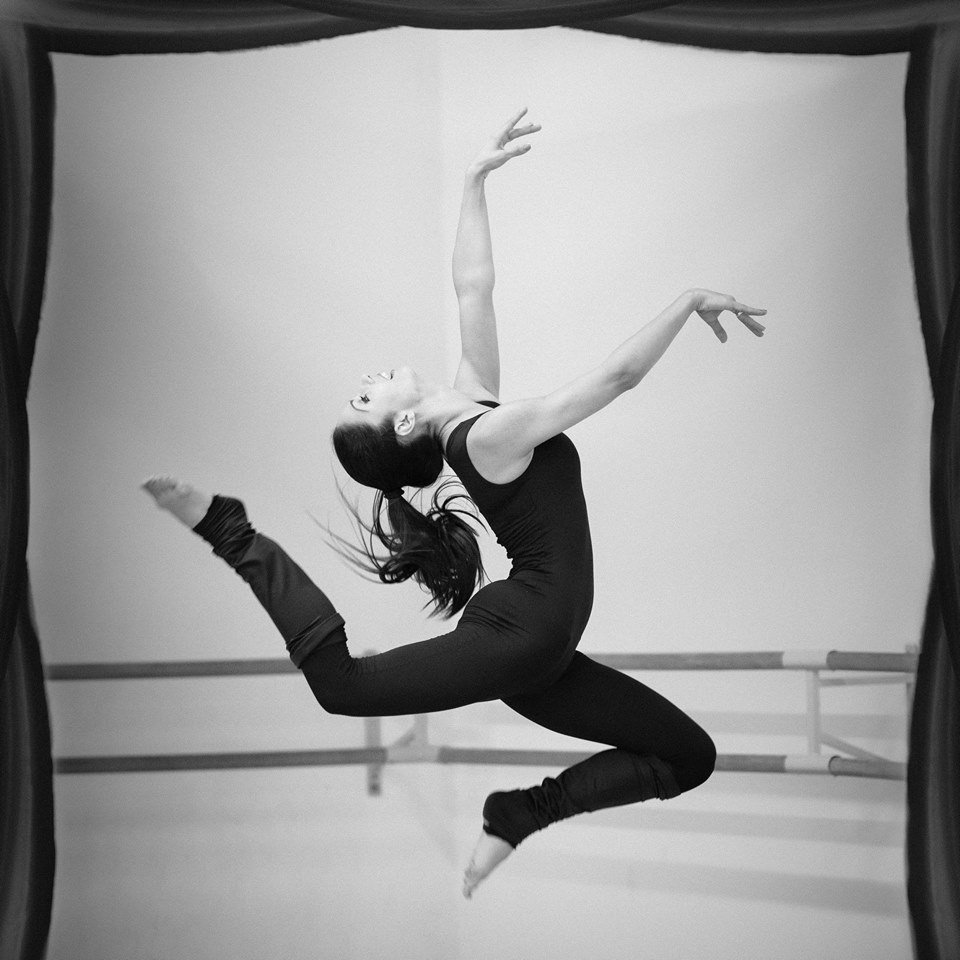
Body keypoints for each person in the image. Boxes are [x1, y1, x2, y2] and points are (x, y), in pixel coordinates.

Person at [142, 108, 767, 898]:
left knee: (691, 758)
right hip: (523, 636)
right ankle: (229, 530)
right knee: (341, 688)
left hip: (534, 641)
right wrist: (685, 300)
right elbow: (616, 379)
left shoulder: (474, 406)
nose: (367, 378)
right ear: (401, 423)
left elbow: (474, 286)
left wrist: (473, 180)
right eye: (364, 398)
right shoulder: (491, 437)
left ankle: (520, 811)